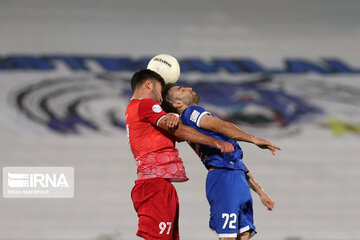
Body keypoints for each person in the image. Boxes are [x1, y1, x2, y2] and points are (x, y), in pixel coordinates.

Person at [161, 84, 281, 240]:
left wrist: (260, 191)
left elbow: (234, 160)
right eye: (181, 90)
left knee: (244, 233)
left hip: (235, 176)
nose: (189, 88)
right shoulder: (191, 112)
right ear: (177, 104)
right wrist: (253, 139)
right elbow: (221, 126)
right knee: (228, 237)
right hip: (223, 178)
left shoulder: (189, 119)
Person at [125, 69, 234, 240]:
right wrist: (215, 142)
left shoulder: (136, 109)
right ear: (148, 84)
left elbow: (172, 131)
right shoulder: (145, 103)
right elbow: (180, 131)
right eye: (161, 89)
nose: (162, 97)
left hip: (159, 185)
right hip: (153, 186)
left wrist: (173, 116)